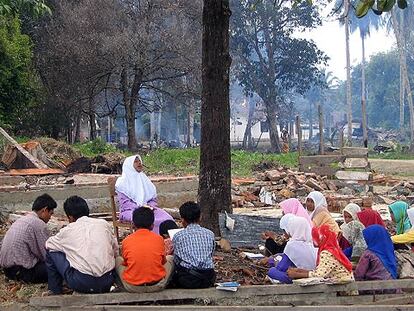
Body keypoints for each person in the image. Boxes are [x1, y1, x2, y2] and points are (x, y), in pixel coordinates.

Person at [45, 196, 118, 295]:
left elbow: (48, 244)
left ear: (70, 217)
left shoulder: (68, 230)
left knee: (51, 251)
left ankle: (55, 290)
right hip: (107, 281)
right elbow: (115, 250)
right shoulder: (103, 224)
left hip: (82, 283)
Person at [0, 194, 57, 283]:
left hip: (7, 271)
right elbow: (46, 254)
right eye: (50, 213)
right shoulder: (38, 224)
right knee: (57, 265)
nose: (50, 217)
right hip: (22, 273)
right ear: (44, 210)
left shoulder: (22, 220)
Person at [116, 208, 174, 293]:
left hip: (132, 287)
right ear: (152, 225)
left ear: (133, 225)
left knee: (118, 260)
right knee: (170, 258)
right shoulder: (159, 239)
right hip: (157, 285)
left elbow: (125, 263)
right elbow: (163, 262)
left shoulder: (126, 241)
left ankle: (121, 286)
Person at [115, 155, 173, 234]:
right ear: (129, 165)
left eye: (139, 161)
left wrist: (150, 207)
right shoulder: (122, 183)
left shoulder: (145, 179)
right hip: (131, 211)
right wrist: (140, 207)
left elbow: (152, 199)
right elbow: (125, 204)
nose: (139, 163)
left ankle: (165, 240)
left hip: (148, 209)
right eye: (135, 162)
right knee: (149, 220)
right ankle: (150, 241)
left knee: (166, 218)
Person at [287, 225, 354, 283]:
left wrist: (297, 274)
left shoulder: (327, 253)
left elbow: (320, 274)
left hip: (342, 289)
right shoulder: (331, 249)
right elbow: (322, 270)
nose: (312, 240)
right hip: (342, 285)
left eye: (314, 237)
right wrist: (299, 271)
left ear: (321, 238)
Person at [171, 201, 215, 289]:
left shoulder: (178, 236)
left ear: (182, 220)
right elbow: (211, 254)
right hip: (208, 278)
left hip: (187, 280)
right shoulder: (210, 234)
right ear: (200, 217)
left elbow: (177, 259)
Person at [267, 214, 317, 284]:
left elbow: (281, 267)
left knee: (271, 271)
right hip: (310, 275)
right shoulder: (313, 244)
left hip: (297, 277)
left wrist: (274, 263)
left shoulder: (292, 245)